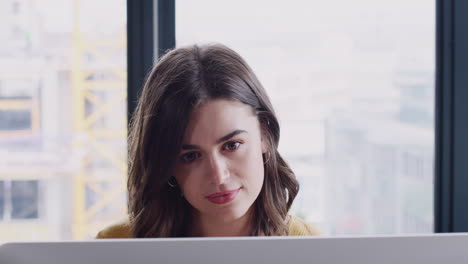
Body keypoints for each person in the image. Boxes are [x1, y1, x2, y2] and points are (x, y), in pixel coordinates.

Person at [96, 43, 320, 238]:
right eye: (190, 156)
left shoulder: (313, 249)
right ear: (165, 164)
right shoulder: (115, 247)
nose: (218, 176)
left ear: (265, 135)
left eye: (232, 145)